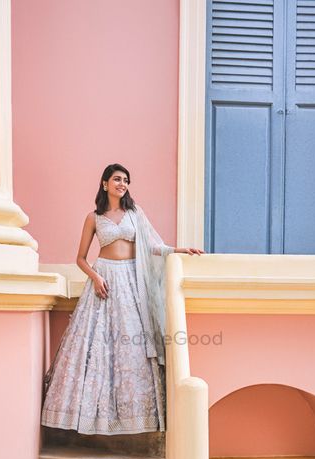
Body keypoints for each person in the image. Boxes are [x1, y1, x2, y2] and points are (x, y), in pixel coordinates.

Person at [41, 163, 204, 435]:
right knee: (96, 347)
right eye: (117, 179)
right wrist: (95, 277)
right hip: (104, 279)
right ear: (105, 183)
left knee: (131, 343)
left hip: (130, 279)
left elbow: (150, 246)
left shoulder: (134, 213)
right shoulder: (93, 218)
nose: (122, 184)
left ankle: (133, 414)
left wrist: (179, 249)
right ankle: (86, 415)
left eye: (126, 180)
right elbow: (80, 259)